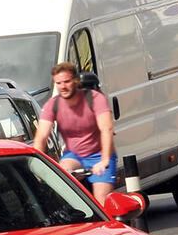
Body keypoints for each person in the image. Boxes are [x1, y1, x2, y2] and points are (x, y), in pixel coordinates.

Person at [32, 62, 116, 205]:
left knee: (103, 203)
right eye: (58, 83)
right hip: (74, 155)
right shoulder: (53, 105)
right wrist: (37, 165)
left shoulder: (94, 98)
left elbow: (106, 129)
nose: (63, 86)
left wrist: (105, 160)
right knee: (63, 175)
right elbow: (41, 137)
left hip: (99, 154)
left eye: (67, 81)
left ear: (76, 81)